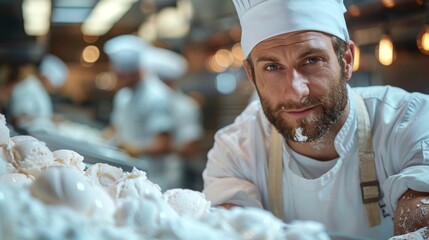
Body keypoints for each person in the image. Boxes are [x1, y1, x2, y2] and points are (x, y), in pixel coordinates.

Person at [202, 0, 429, 239]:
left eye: (312, 60)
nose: (296, 91)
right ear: (251, 75)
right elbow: (231, 231)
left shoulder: (409, 122)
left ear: (347, 60)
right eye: (272, 67)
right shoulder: (237, 151)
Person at [103, 35, 181, 190]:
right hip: (126, 171)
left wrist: (135, 149)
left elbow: (163, 143)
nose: (119, 80)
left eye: (123, 76)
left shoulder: (156, 96)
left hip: (153, 178)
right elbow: (115, 128)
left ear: (137, 72)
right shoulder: (124, 95)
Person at [147, 46, 204, 189]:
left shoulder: (187, 106)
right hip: (146, 170)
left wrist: (158, 148)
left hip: (169, 176)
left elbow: (190, 148)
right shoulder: (149, 101)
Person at [8, 54, 68, 130]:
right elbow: (20, 119)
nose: (54, 88)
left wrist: (50, 118)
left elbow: (36, 115)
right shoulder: (27, 87)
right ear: (45, 76)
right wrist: (49, 120)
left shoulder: (39, 89)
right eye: (53, 83)